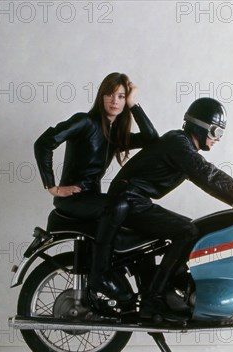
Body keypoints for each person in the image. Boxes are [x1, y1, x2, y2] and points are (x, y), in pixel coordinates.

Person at [102, 97, 233, 321]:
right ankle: (153, 298)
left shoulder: (181, 145)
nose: (218, 139)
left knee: (189, 227)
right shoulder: (178, 144)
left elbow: (208, 180)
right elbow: (209, 175)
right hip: (128, 200)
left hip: (134, 199)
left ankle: (167, 287)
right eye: (216, 132)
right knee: (187, 230)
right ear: (201, 126)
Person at [34, 72, 159, 301]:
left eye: (121, 96)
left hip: (93, 199)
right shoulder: (84, 121)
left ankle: (150, 293)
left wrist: (133, 104)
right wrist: (52, 186)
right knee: (120, 205)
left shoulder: (115, 134)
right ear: (101, 96)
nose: (115, 100)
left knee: (137, 210)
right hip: (73, 199)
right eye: (110, 94)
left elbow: (152, 139)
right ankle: (100, 274)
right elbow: (44, 142)